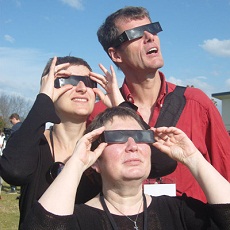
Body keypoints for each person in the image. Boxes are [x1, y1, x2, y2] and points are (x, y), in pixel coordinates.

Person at [88, 6, 230, 202]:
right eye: (136, 33)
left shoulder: (196, 103)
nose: (150, 37)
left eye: (153, 28)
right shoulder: (98, 115)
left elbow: (226, 170)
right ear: (116, 55)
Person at [22, 106, 230, 230]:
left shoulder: (178, 212)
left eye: (140, 137)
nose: (132, 146)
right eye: (118, 137)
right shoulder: (77, 220)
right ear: (95, 160)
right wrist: (76, 164)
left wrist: (193, 158)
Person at [0, 56, 124, 229]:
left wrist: (121, 110)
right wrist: (43, 99)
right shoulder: (34, 142)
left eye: (89, 82)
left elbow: (157, 163)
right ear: (50, 87)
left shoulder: (104, 146)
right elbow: (14, 171)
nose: (82, 88)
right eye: (69, 81)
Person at [7, 113, 23, 194]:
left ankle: (13, 188)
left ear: (14, 118)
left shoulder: (15, 127)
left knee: (11, 169)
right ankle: (22, 189)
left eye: (11, 121)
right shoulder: (26, 125)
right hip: (24, 152)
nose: (11, 123)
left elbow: (11, 140)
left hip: (15, 152)